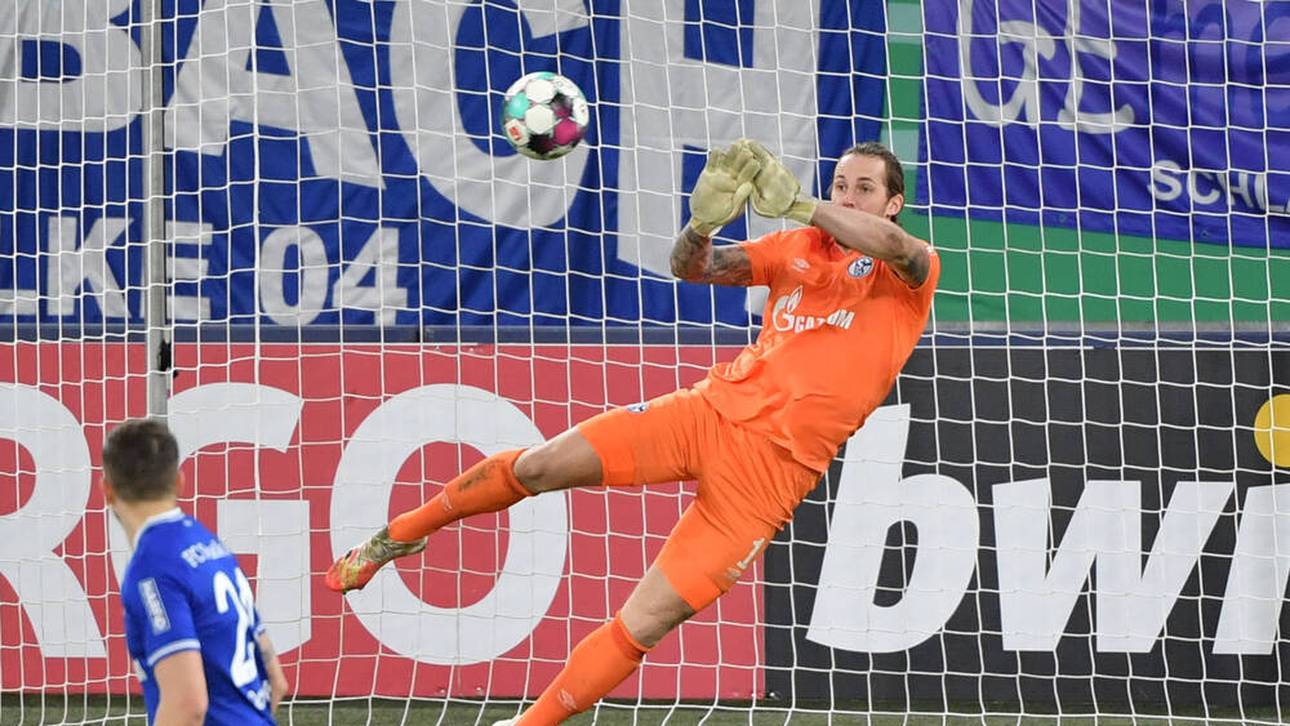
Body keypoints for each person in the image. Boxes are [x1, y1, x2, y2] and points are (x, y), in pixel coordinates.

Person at [325, 139, 939, 725]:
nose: (848, 196)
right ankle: (395, 538)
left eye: (863, 189)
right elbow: (694, 268)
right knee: (539, 466)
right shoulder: (794, 245)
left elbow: (891, 245)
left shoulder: (911, 268)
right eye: (839, 184)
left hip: (769, 478)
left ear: (892, 203)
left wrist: (808, 202)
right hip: (708, 414)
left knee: (642, 624)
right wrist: (700, 227)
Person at [106, 418, 289, 725]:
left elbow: (187, 705)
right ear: (179, 481)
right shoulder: (210, 545)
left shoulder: (152, 569)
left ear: (106, 491)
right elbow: (277, 682)